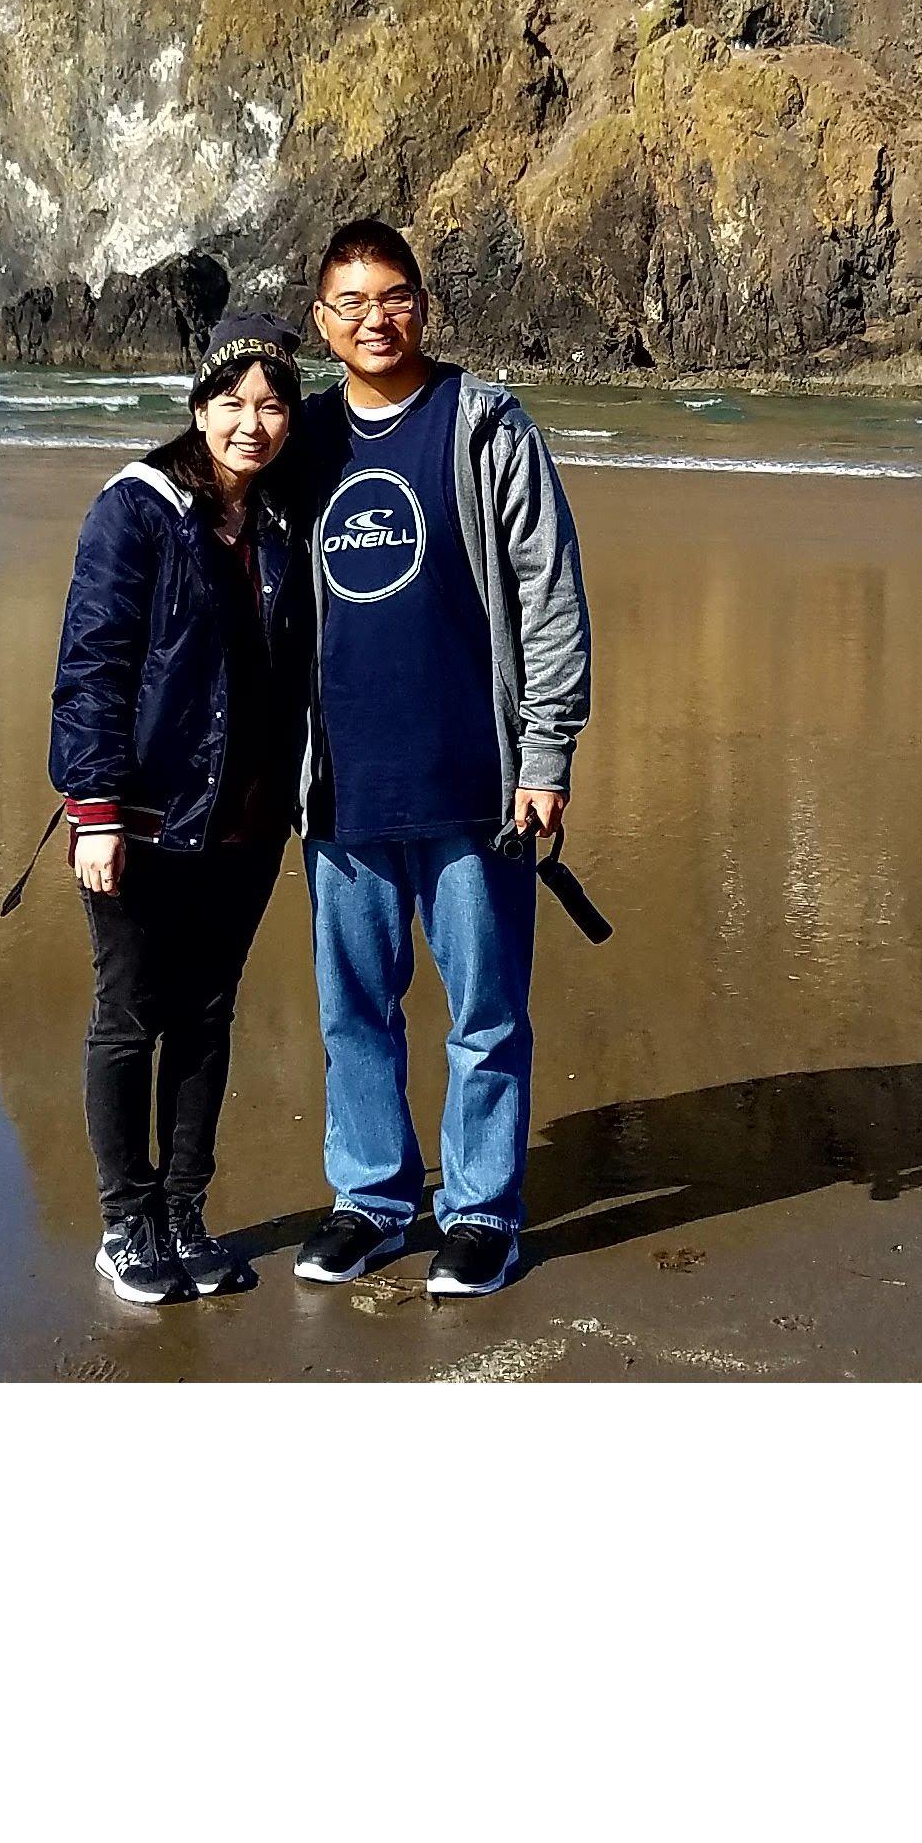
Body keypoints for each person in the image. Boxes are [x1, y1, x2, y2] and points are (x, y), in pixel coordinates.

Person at [281, 217, 591, 1299]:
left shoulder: (483, 422)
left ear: (424, 302)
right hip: (342, 790)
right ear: (321, 322)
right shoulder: (304, 440)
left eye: (395, 295)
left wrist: (544, 757)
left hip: (475, 785)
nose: (377, 318)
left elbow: (550, 595)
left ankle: (479, 1214)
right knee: (353, 1011)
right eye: (352, 302)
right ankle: (371, 1198)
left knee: (487, 1012)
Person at [48, 331, 316, 1308]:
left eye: (274, 405)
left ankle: (185, 1212)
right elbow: (92, 665)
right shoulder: (138, 510)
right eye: (234, 403)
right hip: (147, 816)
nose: (254, 424)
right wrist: (96, 810)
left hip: (244, 820)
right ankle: (127, 1223)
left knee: (206, 1017)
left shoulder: (282, 522)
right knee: (131, 1016)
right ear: (198, 407)